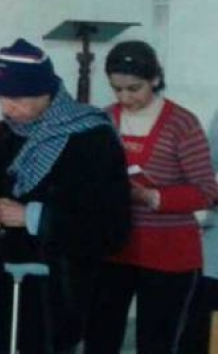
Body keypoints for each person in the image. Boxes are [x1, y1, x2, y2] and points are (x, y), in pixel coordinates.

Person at [0, 38, 131, 354]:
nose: (6, 108)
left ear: (45, 92)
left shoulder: (91, 137)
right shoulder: (10, 131)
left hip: (52, 295)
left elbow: (112, 228)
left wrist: (32, 217)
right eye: (1, 98)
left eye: (16, 98)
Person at [84, 40, 218, 354]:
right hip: (114, 247)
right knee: (99, 339)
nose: (125, 98)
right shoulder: (103, 120)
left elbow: (206, 192)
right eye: (117, 89)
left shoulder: (181, 124)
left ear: (155, 79)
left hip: (168, 254)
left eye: (135, 89)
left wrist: (152, 197)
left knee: (156, 343)